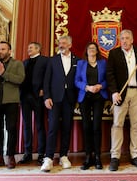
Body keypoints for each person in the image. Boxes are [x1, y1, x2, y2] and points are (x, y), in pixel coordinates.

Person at [106, 29, 137, 171]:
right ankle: (115, 157)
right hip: (121, 93)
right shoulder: (114, 53)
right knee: (117, 124)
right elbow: (110, 74)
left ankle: (135, 156)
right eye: (122, 38)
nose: (124, 41)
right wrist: (114, 92)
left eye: (127, 38)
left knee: (136, 124)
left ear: (132, 40)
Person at [40, 35, 79, 172]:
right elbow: (46, 80)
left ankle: (63, 156)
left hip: (69, 99)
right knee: (53, 128)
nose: (61, 45)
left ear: (70, 45)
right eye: (60, 43)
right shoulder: (52, 60)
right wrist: (46, 97)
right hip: (54, 99)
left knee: (67, 128)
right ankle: (49, 158)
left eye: (64, 43)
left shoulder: (77, 60)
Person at [0, 41, 25, 170]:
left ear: (9, 51)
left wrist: (4, 74)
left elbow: (20, 79)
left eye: (3, 49)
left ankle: (11, 156)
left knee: (11, 129)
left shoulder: (17, 64)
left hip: (11, 101)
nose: (0, 51)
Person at [75, 42, 108, 170]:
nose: (92, 50)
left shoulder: (103, 63)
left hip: (99, 97)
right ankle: (88, 157)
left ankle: (98, 157)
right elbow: (76, 81)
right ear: (86, 51)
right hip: (85, 97)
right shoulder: (81, 64)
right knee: (86, 126)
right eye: (90, 48)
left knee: (96, 127)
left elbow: (106, 79)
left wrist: (100, 86)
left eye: (94, 48)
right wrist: (87, 87)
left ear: (97, 51)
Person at [19, 42, 48, 165]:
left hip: (38, 96)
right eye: (28, 47)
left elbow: (48, 77)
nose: (28, 49)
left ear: (38, 49)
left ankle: (41, 153)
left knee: (40, 125)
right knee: (26, 125)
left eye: (31, 47)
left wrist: (44, 90)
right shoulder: (24, 62)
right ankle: (28, 153)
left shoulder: (45, 61)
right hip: (25, 97)